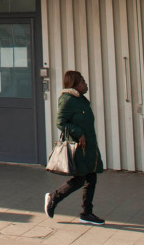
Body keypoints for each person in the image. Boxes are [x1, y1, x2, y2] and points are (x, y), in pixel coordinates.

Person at [43, 70, 105, 226]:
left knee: (91, 179)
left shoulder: (82, 100)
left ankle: (86, 213)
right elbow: (60, 122)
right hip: (79, 147)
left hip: (89, 146)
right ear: (74, 84)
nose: (86, 84)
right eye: (82, 81)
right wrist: (79, 133)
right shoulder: (67, 100)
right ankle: (53, 197)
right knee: (80, 179)